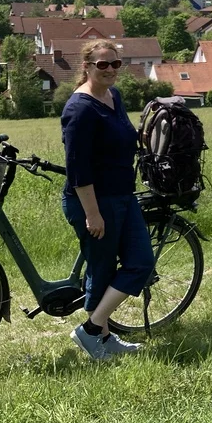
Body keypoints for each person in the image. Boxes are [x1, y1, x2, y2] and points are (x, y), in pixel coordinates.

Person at [61, 39, 156, 359]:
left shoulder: (113, 95)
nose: (111, 70)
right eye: (103, 65)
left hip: (122, 196)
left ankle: (94, 330)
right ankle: (98, 337)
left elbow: (123, 135)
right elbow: (78, 169)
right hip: (94, 201)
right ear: (87, 67)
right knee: (101, 270)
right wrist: (92, 214)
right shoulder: (80, 109)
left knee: (141, 262)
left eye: (115, 64)